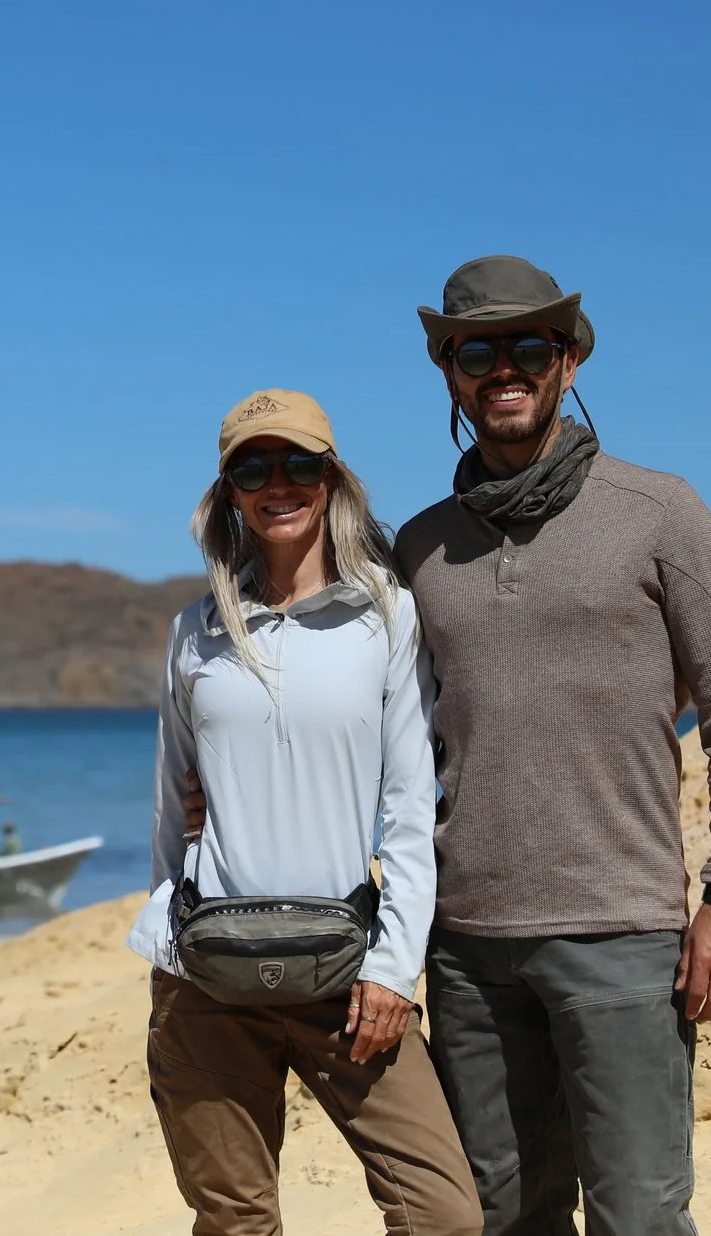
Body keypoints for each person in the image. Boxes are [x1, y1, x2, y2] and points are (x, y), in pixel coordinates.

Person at [398, 256, 711, 1236]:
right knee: (499, 1216)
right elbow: (384, 734)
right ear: (449, 372)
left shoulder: (658, 512)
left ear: (568, 362)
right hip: (466, 949)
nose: (505, 368)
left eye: (530, 345)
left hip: (621, 936)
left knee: (638, 1215)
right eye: (477, 352)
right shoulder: (420, 546)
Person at [130, 389, 480, 1236]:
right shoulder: (195, 631)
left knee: (443, 1214)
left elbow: (409, 805)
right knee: (237, 1221)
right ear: (229, 492)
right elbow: (171, 804)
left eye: (298, 463)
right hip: (207, 972)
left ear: (331, 479)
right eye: (253, 468)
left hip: (345, 968)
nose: (277, 483)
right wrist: (167, 945)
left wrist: (393, 968)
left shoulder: (387, 614)